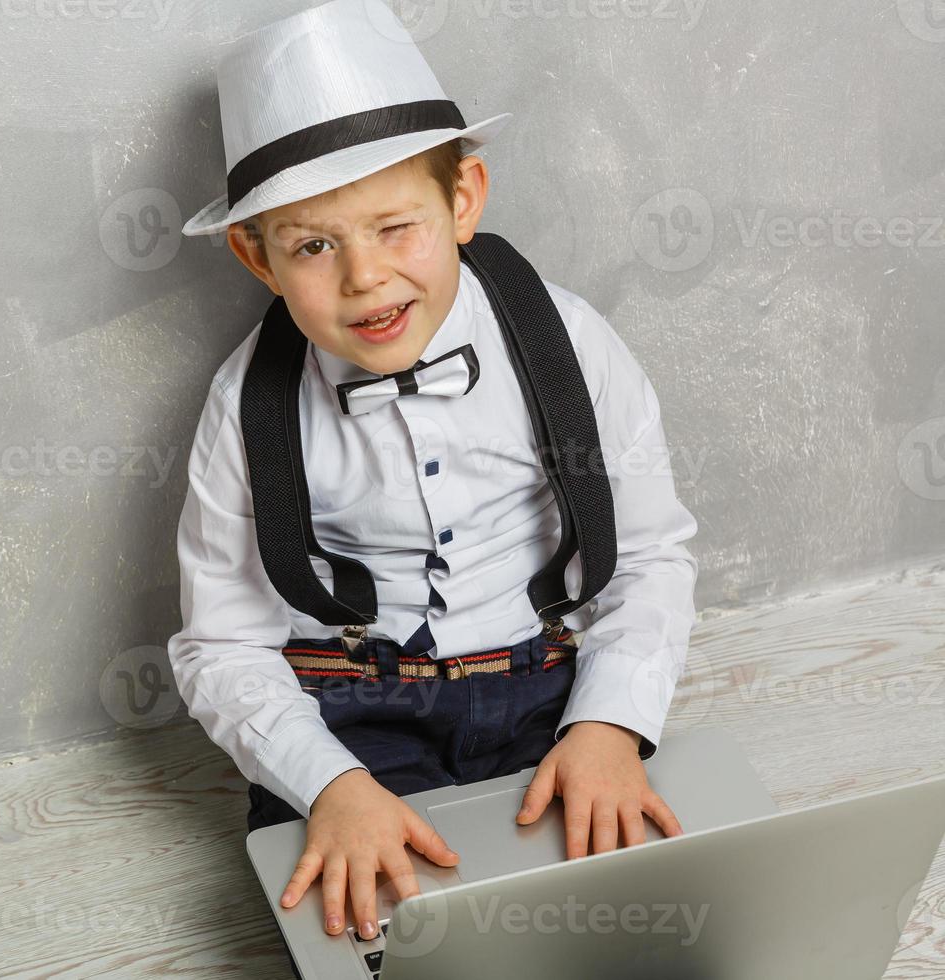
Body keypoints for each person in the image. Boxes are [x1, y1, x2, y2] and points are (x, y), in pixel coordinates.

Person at [165, 0, 698, 968]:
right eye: (314, 245)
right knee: (374, 945)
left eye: (395, 226)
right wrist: (328, 782)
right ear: (257, 257)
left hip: (544, 688)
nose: (366, 277)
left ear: (463, 200)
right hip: (349, 713)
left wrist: (610, 721)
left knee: (632, 928)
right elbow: (221, 644)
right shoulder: (246, 403)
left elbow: (652, 552)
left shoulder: (568, 341)